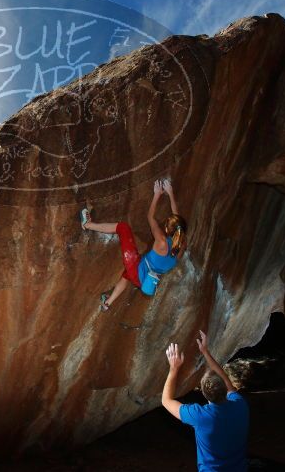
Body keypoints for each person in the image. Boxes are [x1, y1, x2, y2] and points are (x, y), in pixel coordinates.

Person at [80, 177, 187, 311]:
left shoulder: (162, 241)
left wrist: (157, 194)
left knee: (123, 228)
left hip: (136, 268)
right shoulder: (181, 245)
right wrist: (170, 193)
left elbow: (150, 217)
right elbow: (178, 223)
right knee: (127, 276)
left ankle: (87, 224)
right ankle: (106, 304)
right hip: (143, 279)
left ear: (167, 229)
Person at [162, 331, 250, 472]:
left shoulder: (201, 417)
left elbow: (166, 401)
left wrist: (174, 368)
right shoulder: (240, 404)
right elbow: (226, 381)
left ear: (204, 393)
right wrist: (205, 352)